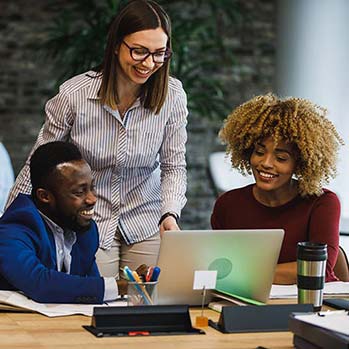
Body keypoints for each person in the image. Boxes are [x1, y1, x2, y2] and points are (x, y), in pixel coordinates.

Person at [7, 0, 188, 278]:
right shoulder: (74, 95)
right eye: (139, 51)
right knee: (96, 302)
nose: (149, 63)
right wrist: (9, 223)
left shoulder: (173, 96)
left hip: (146, 219)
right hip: (89, 221)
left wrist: (170, 214)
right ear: (116, 45)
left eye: (159, 53)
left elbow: (173, 166)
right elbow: (38, 165)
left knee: (152, 302)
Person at [211, 93, 344, 284]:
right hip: (246, 305)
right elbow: (221, 269)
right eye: (259, 152)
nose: (266, 163)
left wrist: (245, 273)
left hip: (311, 307)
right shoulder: (228, 205)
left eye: (281, 158)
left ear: (299, 163)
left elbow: (317, 269)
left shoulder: (322, 203)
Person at [0, 141, 132, 303]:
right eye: (79, 192)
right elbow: (40, 284)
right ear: (45, 196)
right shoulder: (14, 229)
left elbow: (90, 285)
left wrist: (134, 283)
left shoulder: (86, 230)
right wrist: (121, 287)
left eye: (92, 188)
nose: (92, 199)